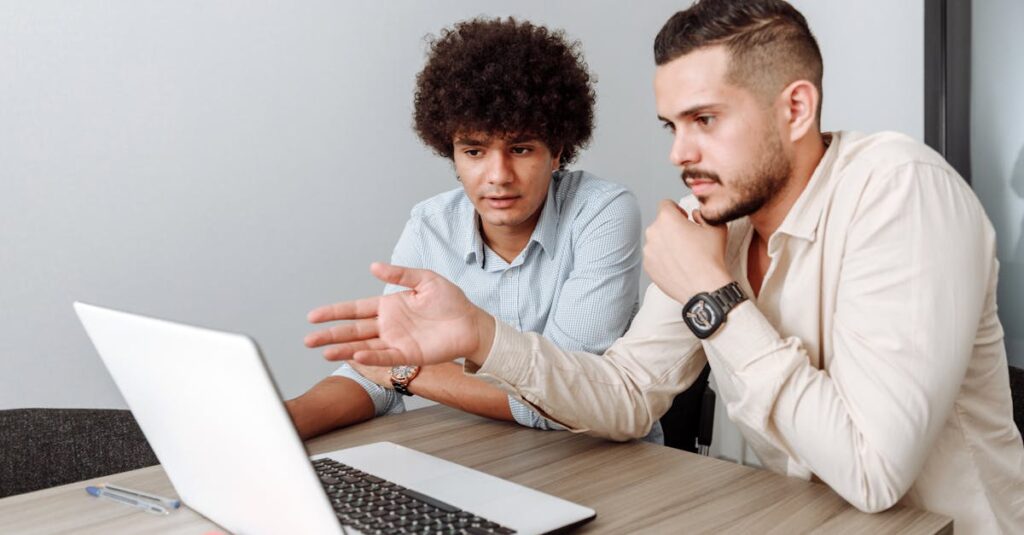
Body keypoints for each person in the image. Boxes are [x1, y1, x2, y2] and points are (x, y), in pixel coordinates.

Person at [304, 1, 1024, 532]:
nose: (679, 153)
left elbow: (873, 472)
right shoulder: (719, 216)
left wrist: (712, 295)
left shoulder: (901, 189)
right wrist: (483, 335)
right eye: (671, 126)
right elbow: (625, 396)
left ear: (795, 108)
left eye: (705, 120)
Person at [288, 17, 658, 443]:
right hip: (489, 459)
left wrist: (405, 373)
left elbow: (565, 397)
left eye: (520, 149)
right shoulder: (430, 225)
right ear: (453, 154)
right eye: (474, 151)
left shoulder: (601, 213)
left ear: (557, 151)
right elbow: (375, 369)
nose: (498, 175)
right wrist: (283, 419)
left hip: (612, 469)